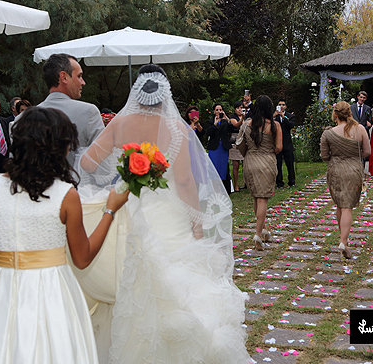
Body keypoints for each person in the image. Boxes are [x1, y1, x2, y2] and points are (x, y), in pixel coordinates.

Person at [77, 64, 251, 363]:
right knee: (178, 279)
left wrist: (121, 172)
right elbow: (184, 181)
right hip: (169, 213)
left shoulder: (119, 123)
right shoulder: (176, 128)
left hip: (128, 207)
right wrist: (197, 226)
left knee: (130, 277)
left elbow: (88, 164)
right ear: (165, 94)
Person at [0, 107, 129, 364]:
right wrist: (110, 209)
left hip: (3, 286)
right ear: (57, 148)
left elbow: (1, 243)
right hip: (51, 287)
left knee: (1, 348)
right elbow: (82, 258)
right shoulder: (64, 194)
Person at [320, 101, 370, 259]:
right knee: (347, 207)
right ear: (350, 113)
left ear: (335, 115)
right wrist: (353, 155)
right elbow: (367, 152)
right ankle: (343, 241)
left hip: (336, 170)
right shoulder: (360, 129)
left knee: (340, 205)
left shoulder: (328, 133)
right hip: (354, 169)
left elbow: (324, 156)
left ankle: (343, 237)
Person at [38, 53, 105, 165]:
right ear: (64, 77)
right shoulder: (88, 112)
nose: (83, 82)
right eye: (79, 76)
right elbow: (102, 161)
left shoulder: (22, 118)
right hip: (76, 181)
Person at [237, 95, 282, 250]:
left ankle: (263, 229)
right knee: (263, 198)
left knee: (256, 196)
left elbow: (240, 143)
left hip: (250, 161)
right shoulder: (275, 125)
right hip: (266, 161)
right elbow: (278, 147)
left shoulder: (247, 124)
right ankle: (257, 234)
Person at [205, 102, 234, 193]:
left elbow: (232, 129)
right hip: (214, 147)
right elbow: (208, 133)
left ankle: (226, 190)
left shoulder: (225, 121)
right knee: (213, 168)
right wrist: (215, 124)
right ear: (214, 111)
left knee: (224, 167)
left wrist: (227, 119)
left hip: (223, 146)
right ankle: (213, 190)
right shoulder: (210, 121)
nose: (219, 111)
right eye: (217, 110)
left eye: (220, 110)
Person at [274, 98, 296, 188]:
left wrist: (284, 117)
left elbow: (291, 125)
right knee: (278, 163)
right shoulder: (274, 116)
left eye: (283, 105)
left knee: (289, 163)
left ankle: (292, 181)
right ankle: (279, 182)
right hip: (277, 143)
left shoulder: (289, 116)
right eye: (279, 105)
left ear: (286, 106)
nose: (281, 106)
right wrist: (274, 115)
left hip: (287, 143)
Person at [229, 101, 245, 192]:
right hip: (234, 140)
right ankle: (236, 185)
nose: (240, 109)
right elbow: (236, 125)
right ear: (235, 109)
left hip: (244, 140)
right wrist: (242, 119)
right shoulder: (232, 117)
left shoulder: (247, 116)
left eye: (241, 107)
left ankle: (247, 183)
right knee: (236, 164)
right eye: (238, 108)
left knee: (246, 164)